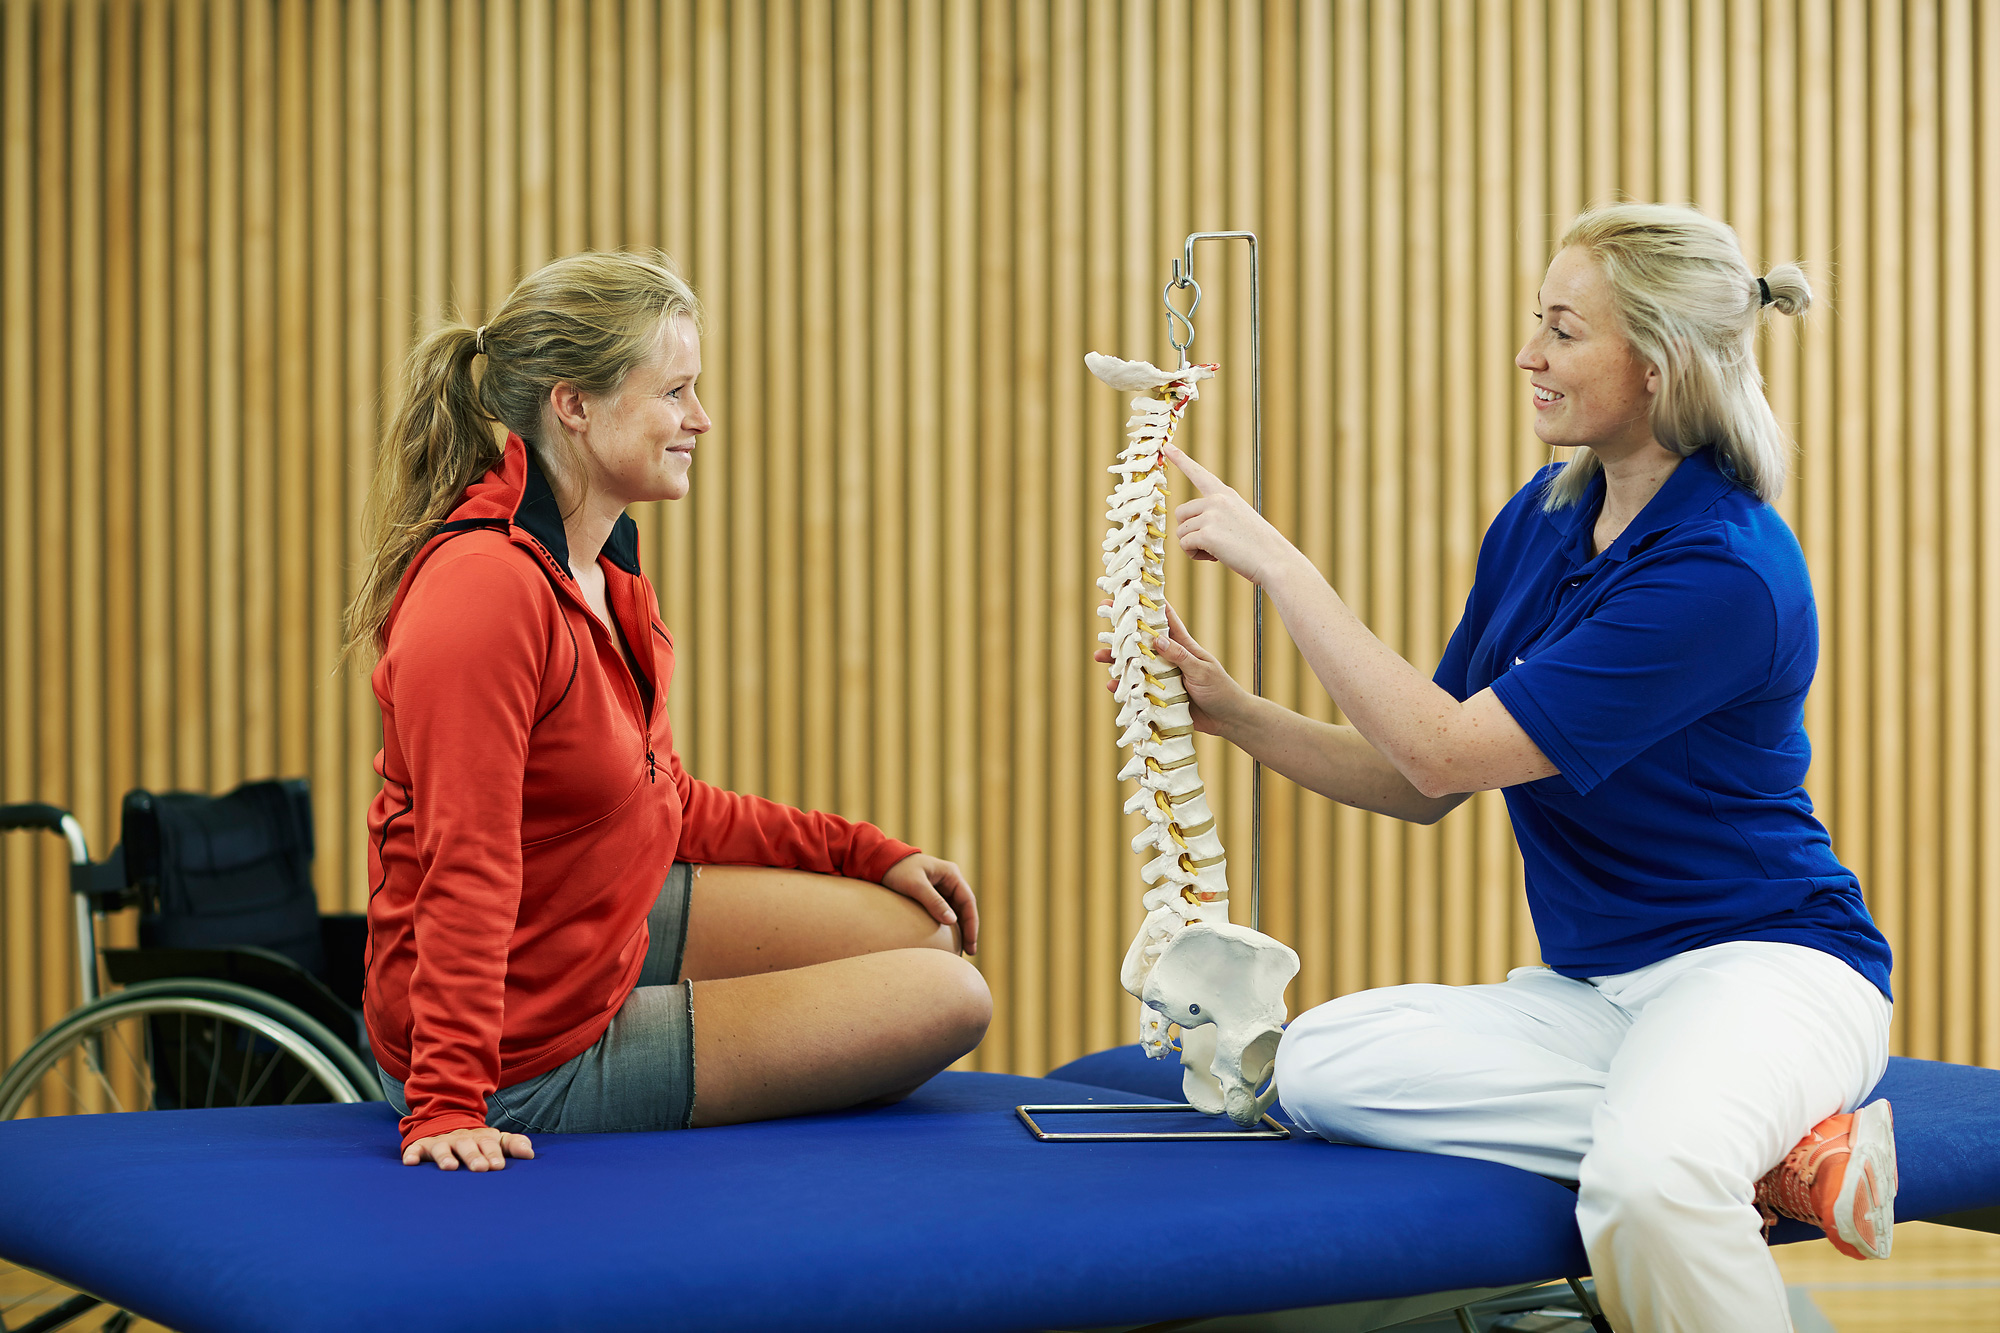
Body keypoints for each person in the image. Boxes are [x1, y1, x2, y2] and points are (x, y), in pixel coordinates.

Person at [1123, 204, 1894, 1332]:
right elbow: (1419, 780)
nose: (1528, 354)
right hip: (1594, 991)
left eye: (1564, 331)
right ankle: (1778, 1147)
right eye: (1536, 322)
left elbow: (1439, 748)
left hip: (1764, 968)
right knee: (1322, 1065)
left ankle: (1712, 1135)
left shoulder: (1720, 571)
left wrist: (1276, 563)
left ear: (1659, 363)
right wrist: (1235, 716)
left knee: (1652, 1182)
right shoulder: (1537, 522)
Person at [343, 251, 991, 1173]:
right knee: (952, 998)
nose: (702, 419)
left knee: (919, 926)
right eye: (675, 391)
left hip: (594, 922)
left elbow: (661, 801)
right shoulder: (483, 592)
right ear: (575, 403)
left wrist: (869, 851)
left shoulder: (603, 565)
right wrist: (449, 1100)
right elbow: (466, 859)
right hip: (518, 1051)